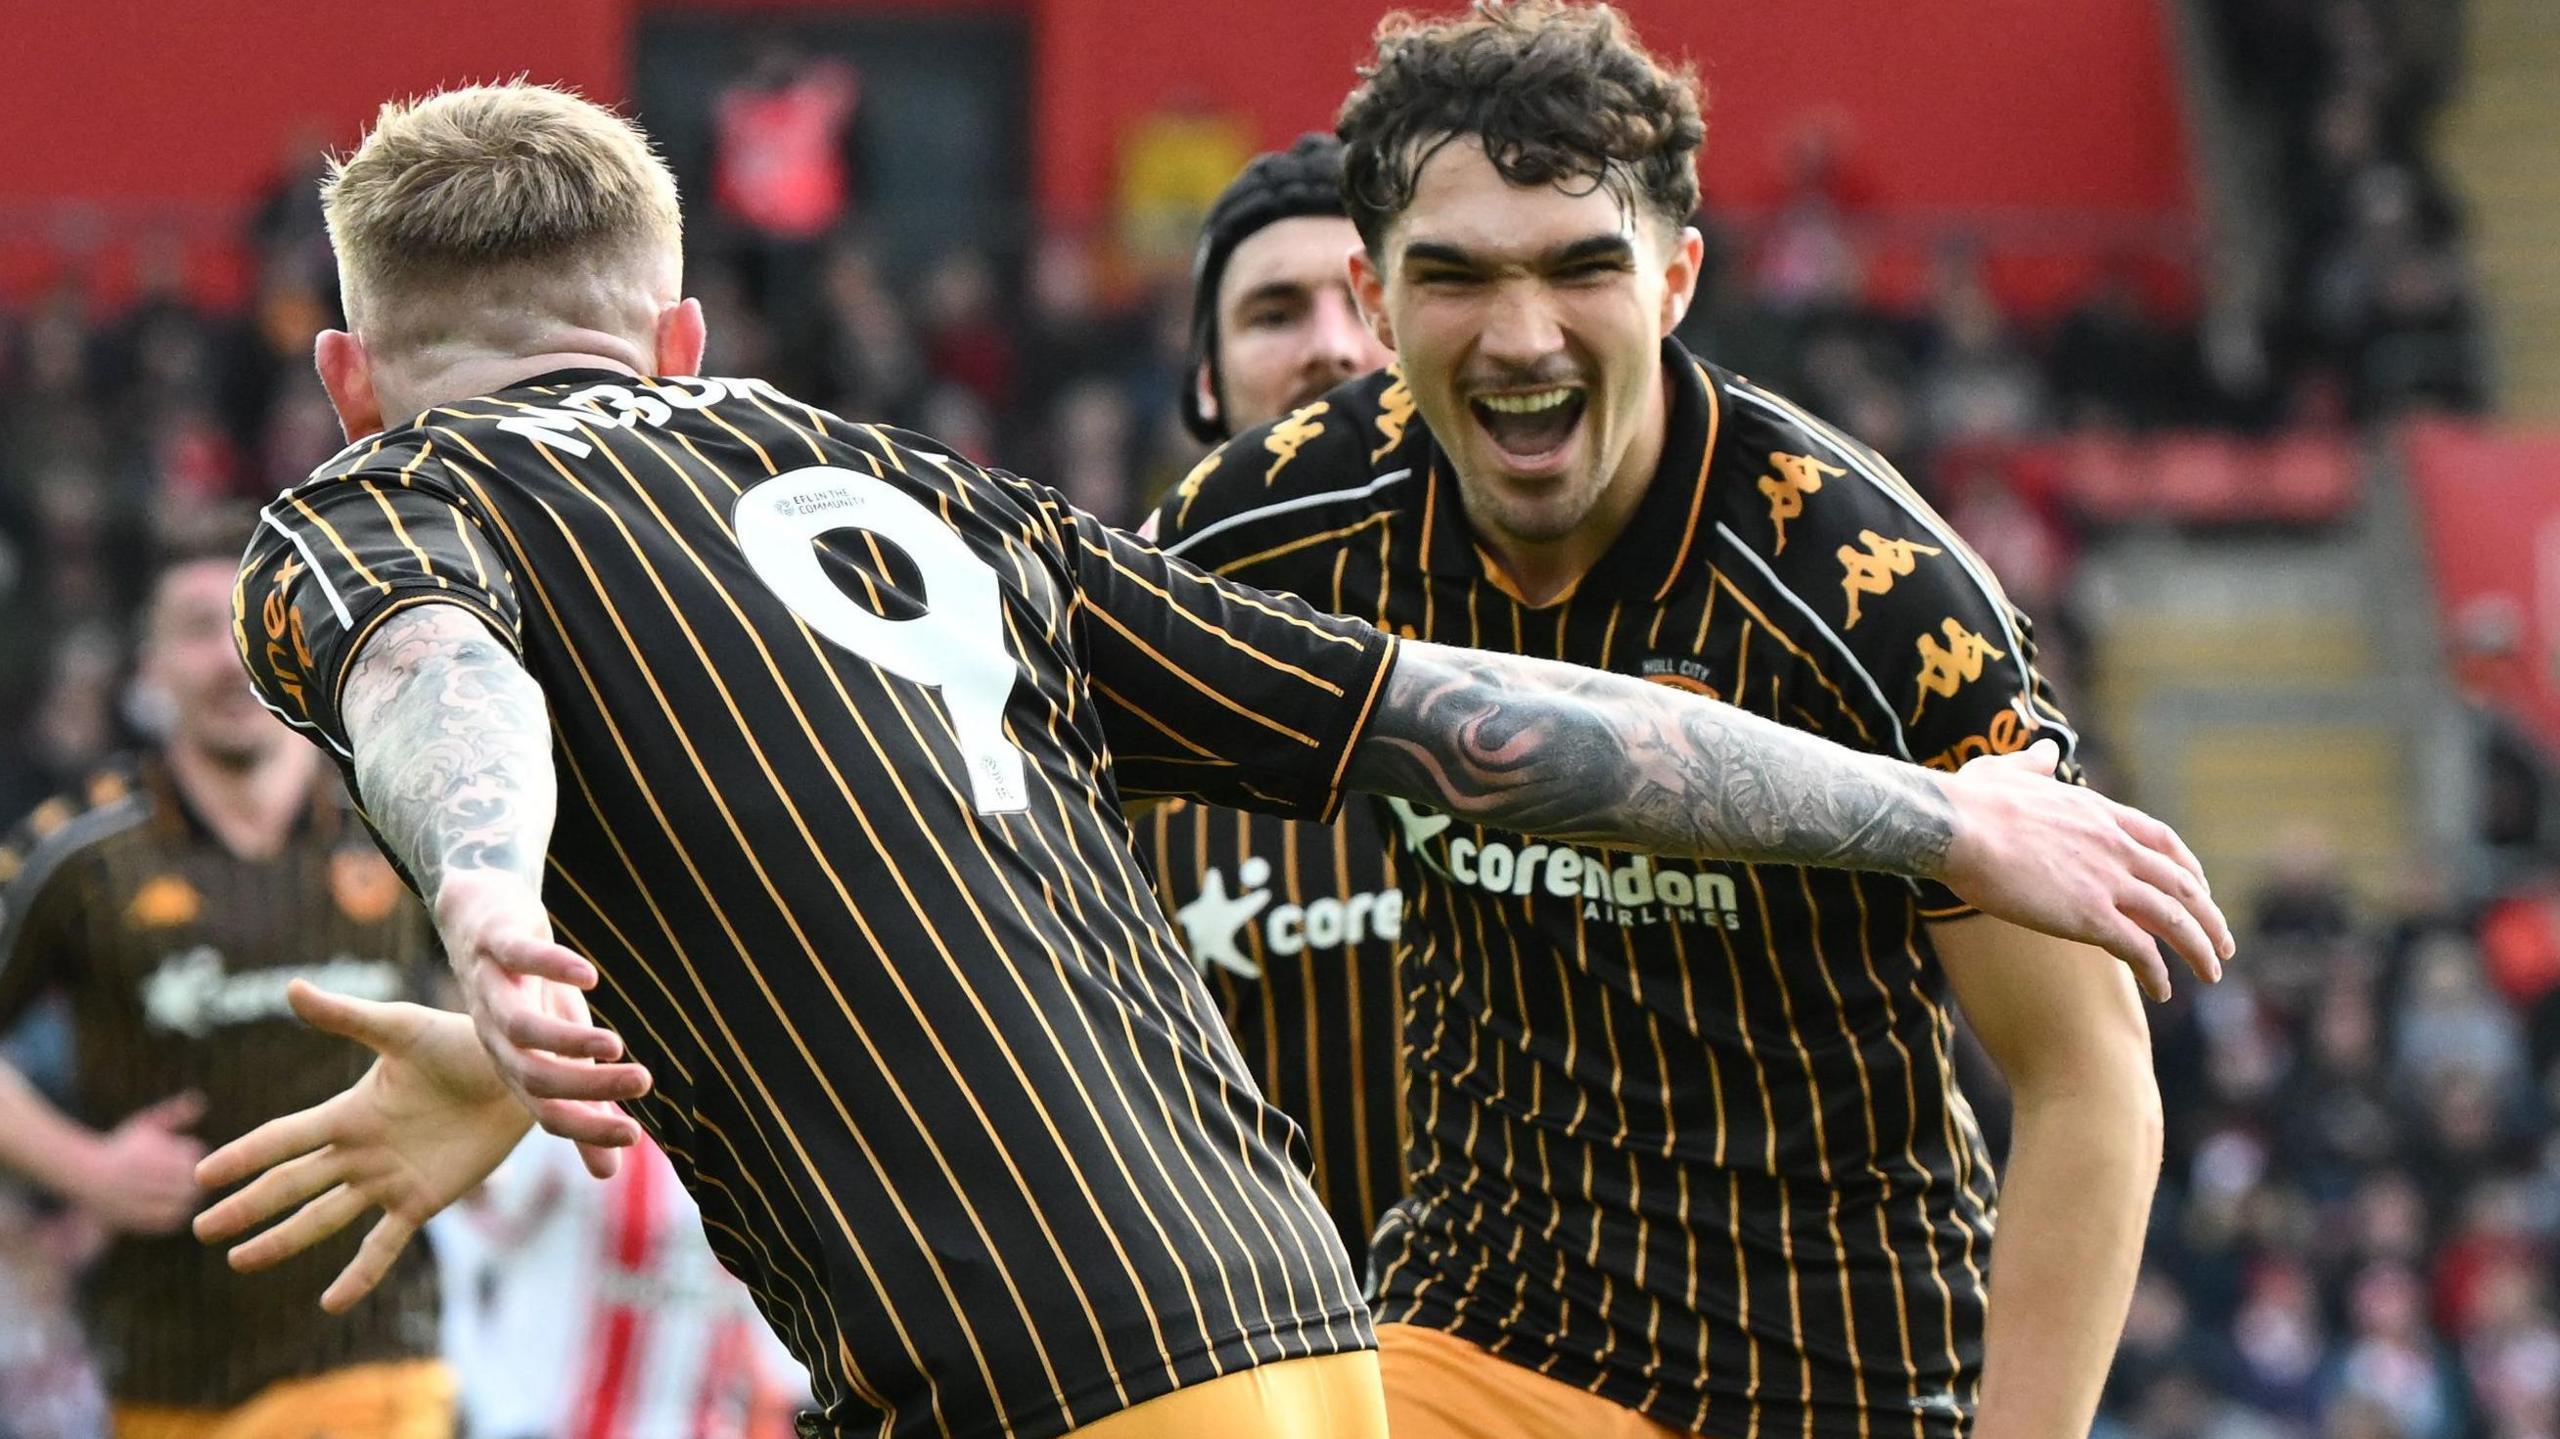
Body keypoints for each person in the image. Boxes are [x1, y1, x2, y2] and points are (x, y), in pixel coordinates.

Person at [191, 82, 2225, 1439]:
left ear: (348, 380)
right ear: (681, 339)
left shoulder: (369, 503)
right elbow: (1477, 725)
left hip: (1028, 1371)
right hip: (1304, 1339)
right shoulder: (933, 498)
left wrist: (479, 898)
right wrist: (1945, 807)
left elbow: (432, 661)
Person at [1144, 4, 2185, 1436]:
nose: (1522, 338)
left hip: (1833, 1375)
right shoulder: (1279, 511)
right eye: (1454, 277)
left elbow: (2089, 1077)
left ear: (1677, 276)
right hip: (1476, 1337)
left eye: (1582, 267)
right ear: (1378, 304)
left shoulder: (1873, 592)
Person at [0, 541, 448, 1437]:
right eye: (199, 628)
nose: (228, 656)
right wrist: (83, 1167)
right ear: (151, 664)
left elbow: (510, 993)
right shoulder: (78, 850)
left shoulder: (403, 817)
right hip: (168, 1376)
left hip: (384, 1360)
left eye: (253, 620)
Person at [1135, 133, 1405, 1266]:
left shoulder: (1585, 649)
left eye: (1369, 303)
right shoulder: (1097, 697)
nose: (1331, 348)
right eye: (1274, 312)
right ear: (1204, 378)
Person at [428, 1128, 807, 1438]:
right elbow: (476, 1212)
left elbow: (771, 1348)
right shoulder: (570, 1100)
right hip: (543, 1424)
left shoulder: (758, 1140)